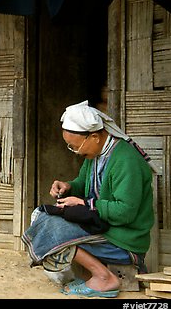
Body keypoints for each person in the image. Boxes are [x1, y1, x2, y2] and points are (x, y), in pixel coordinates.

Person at [21, 100, 155, 298]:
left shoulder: (126, 161)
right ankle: (94, 273)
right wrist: (68, 186)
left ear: (94, 136)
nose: (77, 152)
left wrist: (85, 203)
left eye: (76, 147)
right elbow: (83, 182)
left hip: (124, 239)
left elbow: (125, 212)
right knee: (42, 217)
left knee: (52, 232)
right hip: (103, 225)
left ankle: (104, 278)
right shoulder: (97, 155)